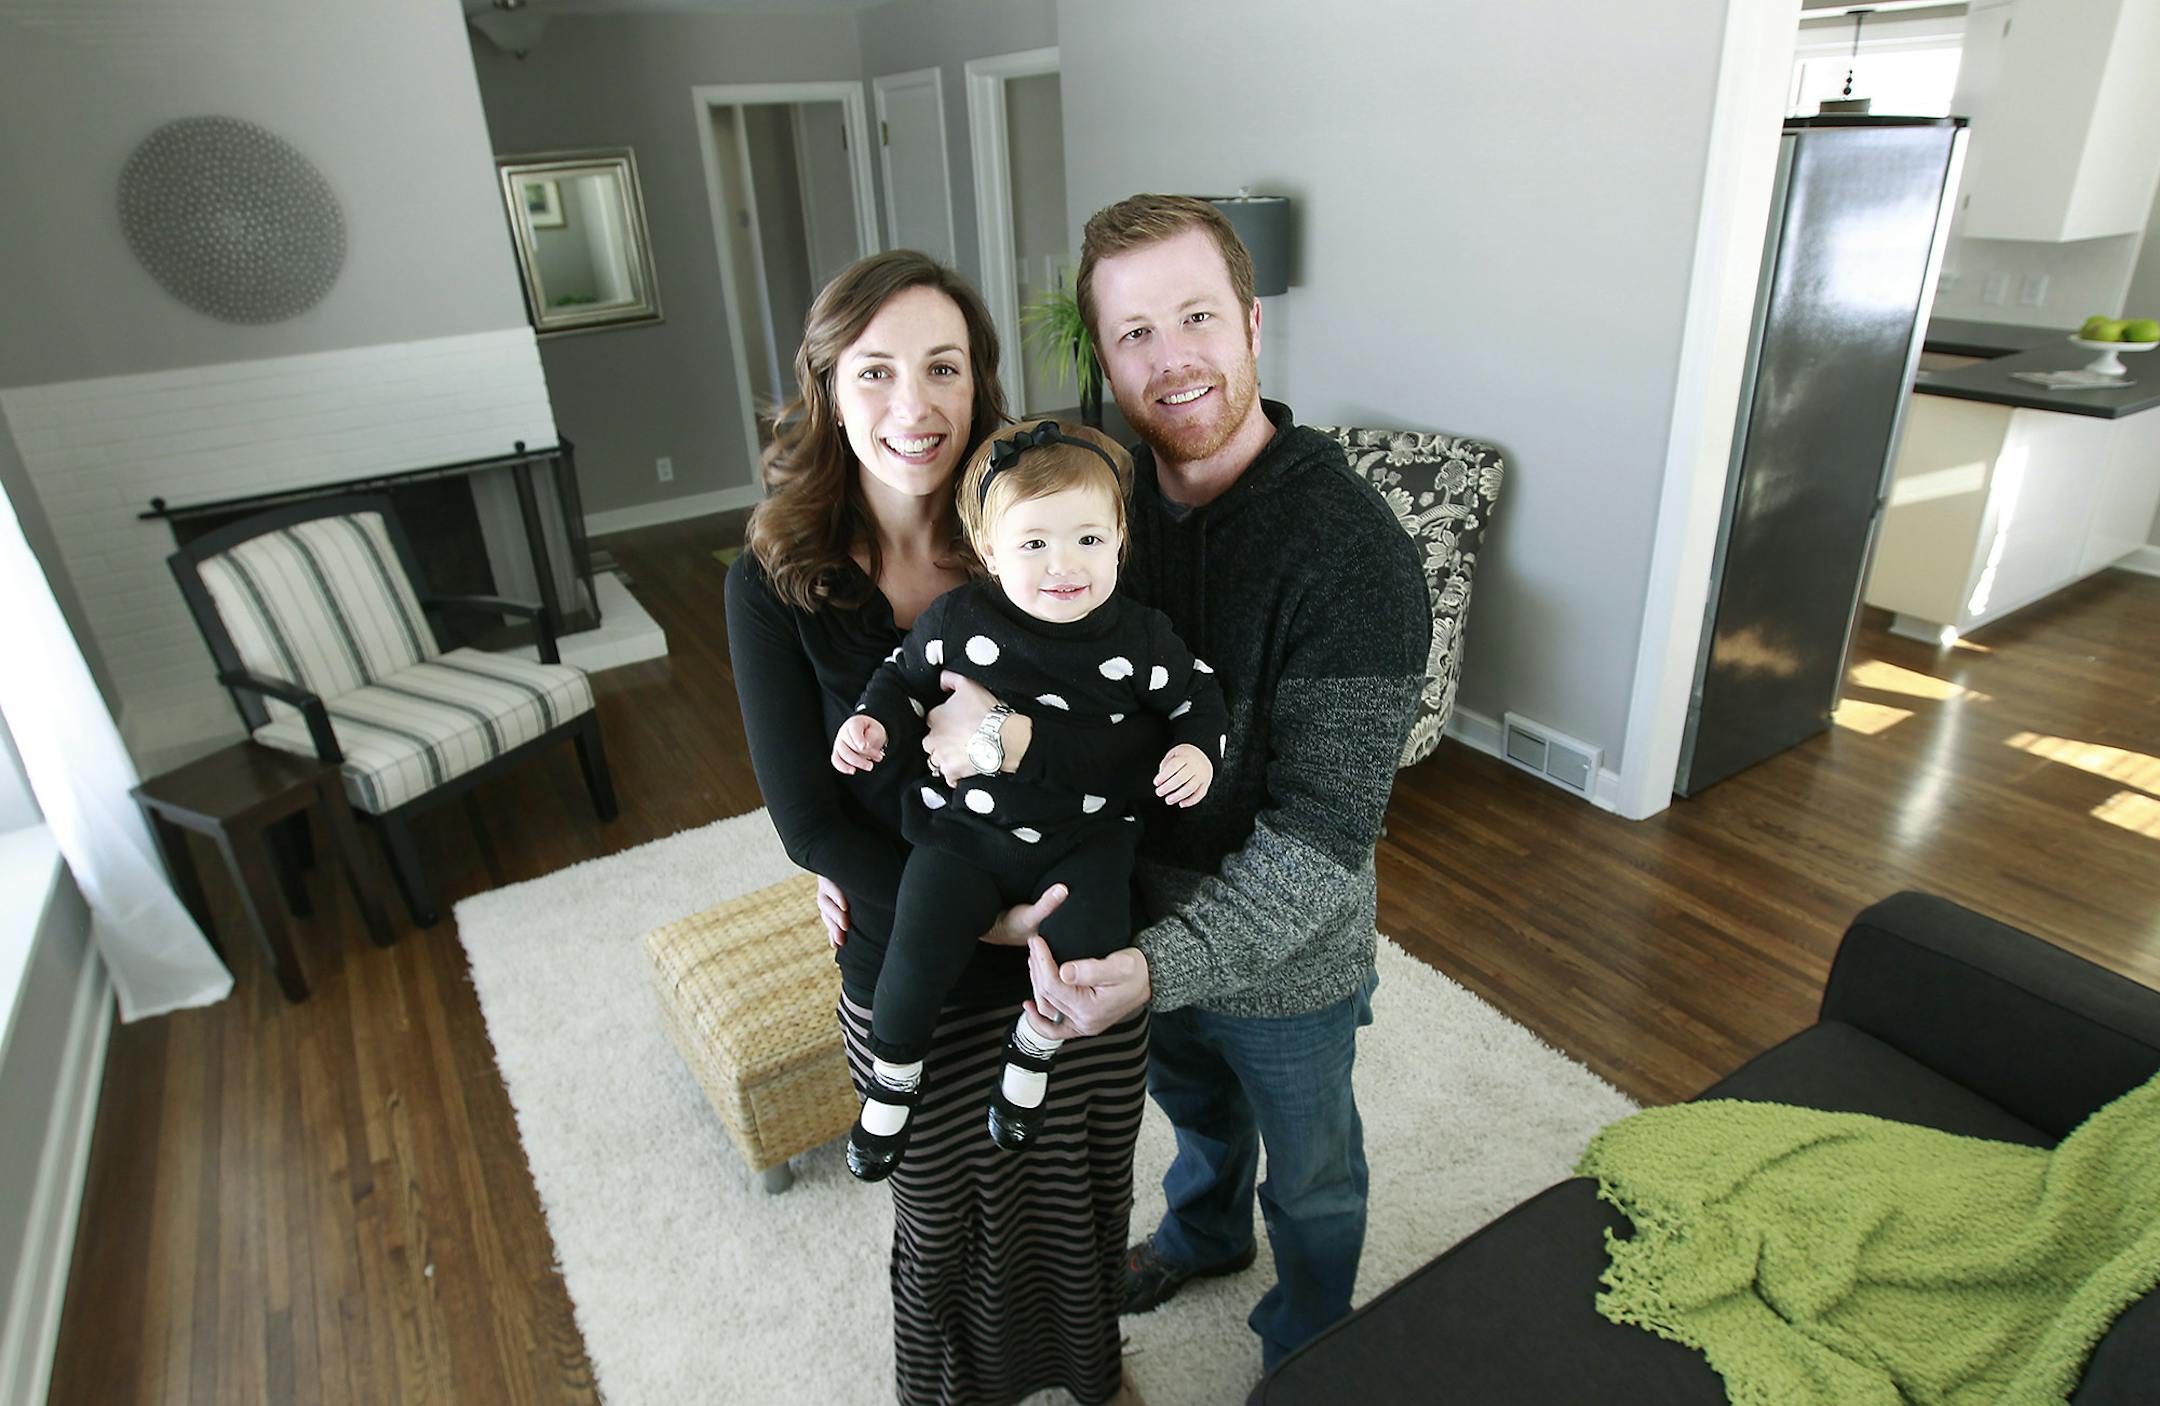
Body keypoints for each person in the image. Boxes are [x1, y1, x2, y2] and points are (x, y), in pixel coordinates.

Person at [922, 196, 1430, 1370]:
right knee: (1197, 1112)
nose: (1173, 357)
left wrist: (1159, 964)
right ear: (1104, 358)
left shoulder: (1352, 555)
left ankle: (1309, 1341)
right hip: (1130, 914)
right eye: (1135, 332)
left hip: (1287, 951)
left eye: (1197, 316)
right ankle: (1203, 1233)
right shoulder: (1093, 515)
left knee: (1311, 1176)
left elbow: (1323, 837)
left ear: (1252, 323)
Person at [725, 252, 1153, 1405]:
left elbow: (1135, 722)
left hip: (1076, 945)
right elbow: (807, 816)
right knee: (947, 1214)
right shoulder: (775, 576)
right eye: (875, 372)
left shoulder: (1047, 530)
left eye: (944, 368)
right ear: (825, 386)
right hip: (913, 959)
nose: (913, 407)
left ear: (980, 385)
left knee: (1082, 1188)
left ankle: (1094, 1373)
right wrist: (957, 905)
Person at [831, 418, 1226, 1180]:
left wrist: (1194, 750)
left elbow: (1198, 698)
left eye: (1088, 539)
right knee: (917, 943)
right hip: (969, 834)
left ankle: (1034, 1049)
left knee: (1090, 952)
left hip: (1088, 840)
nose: (1063, 565)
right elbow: (901, 681)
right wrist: (871, 725)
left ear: (1119, 540)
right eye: (1034, 543)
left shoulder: (1139, 639)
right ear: (988, 550)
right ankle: (894, 1079)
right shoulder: (959, 622)